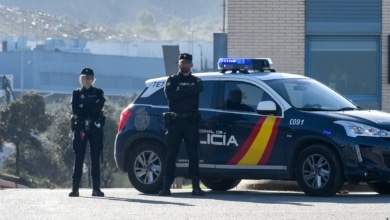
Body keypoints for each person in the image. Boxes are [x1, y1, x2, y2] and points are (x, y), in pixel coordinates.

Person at [159, 53, 205, 196]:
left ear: (191, 64)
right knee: (171, 153)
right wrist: (187, 92)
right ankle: (166, 187)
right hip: (175, 121)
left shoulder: (196, 81)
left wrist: (180, 90)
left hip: (190, 122)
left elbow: (196, 90)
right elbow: (171, 95)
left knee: (193, 154)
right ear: (178, 64)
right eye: (182, 62)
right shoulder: (171, 80)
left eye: (187, 63)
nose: (184, 65)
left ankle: (196, 187)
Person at [69, 67, 106, 197]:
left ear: (93, 79)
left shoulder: (98, 92)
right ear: (81, 79)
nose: (87, 80)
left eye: (89, 78)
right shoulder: (76, 93)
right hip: (80, 127)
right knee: (79, 156)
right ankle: (75, 188)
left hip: (95, 127)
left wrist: (84, 106)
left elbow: (99, 106)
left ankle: (96, 188)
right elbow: (76, 110)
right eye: (84, 78)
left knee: (95, 156)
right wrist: (90, 107)